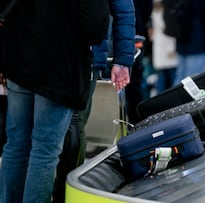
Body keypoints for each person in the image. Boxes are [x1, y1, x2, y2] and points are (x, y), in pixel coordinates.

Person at [0, 1, 126, 203]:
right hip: (60, 64)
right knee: (44, 150)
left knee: (16, 145)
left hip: (19, 54)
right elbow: (95, 27)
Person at [77, 0, 136, 167]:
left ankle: (63, 186)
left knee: (74, 125)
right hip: (79, 54)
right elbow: (124, 11)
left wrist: (122, 61)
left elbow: (123, 11)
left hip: (84, 55)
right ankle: (64, 188)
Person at [172, 0, 205, 85]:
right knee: (193, 82)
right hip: (200, 43)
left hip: (182, 40)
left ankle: (173, 98)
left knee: (180, 79)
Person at [125, 0, 153, 124]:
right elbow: (147, 9)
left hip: (123, 38)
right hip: (135, 36)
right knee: (135, 87)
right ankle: (137, 125)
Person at [151, 0, 178, 94]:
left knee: (163, 80)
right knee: (171, 80)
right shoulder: (164, 11)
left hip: (162, 49)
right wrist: (172, 48)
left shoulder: (155, 11)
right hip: (167, 48)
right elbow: (168, 30)